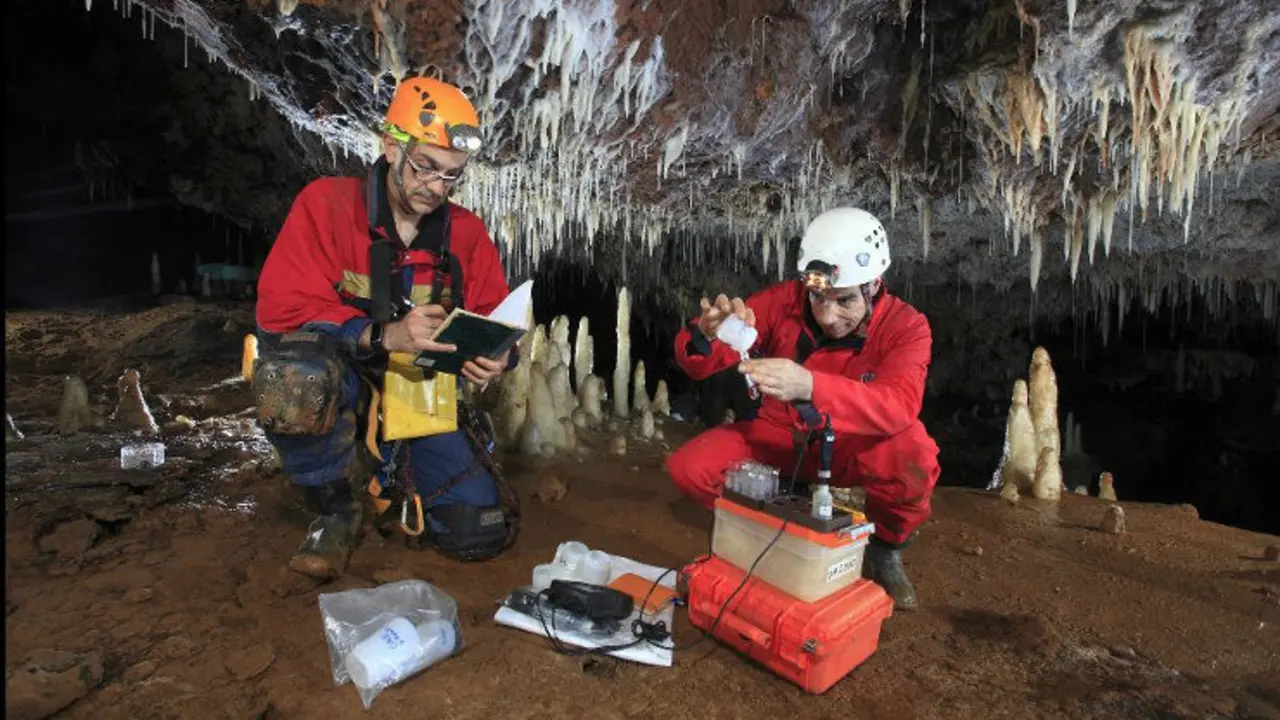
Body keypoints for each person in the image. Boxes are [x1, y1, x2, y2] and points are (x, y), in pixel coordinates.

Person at [252, 76, 518, 580]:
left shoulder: (465, 234)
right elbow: (280, 310)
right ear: (391, 146)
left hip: (418, 390)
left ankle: (388, 466)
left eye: (451, 176)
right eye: (425, 167)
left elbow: (495, 316)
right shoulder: (327, 206)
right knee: (293, 378)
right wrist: (381, 335)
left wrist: (500, 357)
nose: (437, 187)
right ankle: (334, 509)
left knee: (475, 530)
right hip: (343, 373)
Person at [665, 207, 941, 609]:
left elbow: (897, 407)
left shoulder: (907, 327)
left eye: (844, 300)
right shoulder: (783, 302)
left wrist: (811, 385)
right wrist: (707, 333)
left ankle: (885, 548)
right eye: (818, 297)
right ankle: (774, 526)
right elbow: (702, 362)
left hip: (850, 443)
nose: (829, 315)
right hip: (780, 436)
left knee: (910, 453)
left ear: (873, 285)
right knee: (691, 468)